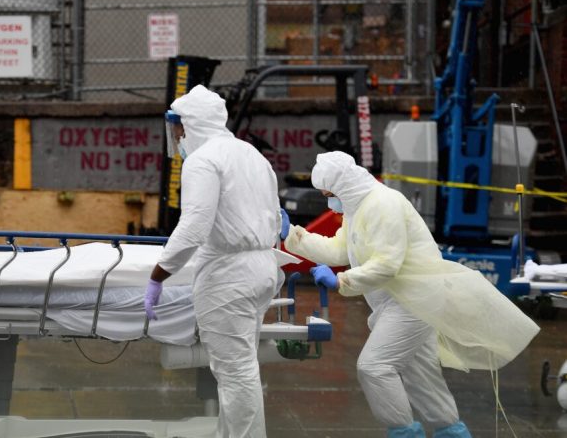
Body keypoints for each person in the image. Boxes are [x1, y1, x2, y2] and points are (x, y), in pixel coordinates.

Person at [284, 151, 540, 438]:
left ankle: (404, 433)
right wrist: (294, 237)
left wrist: (342, 281)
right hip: (402, 301)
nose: (328, 201)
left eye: (329, 193)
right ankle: (450, 431)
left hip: (413, 302)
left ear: (343, 185)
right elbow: (341, 248)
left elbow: (387, 264)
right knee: (422, 377)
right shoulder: (357, 208)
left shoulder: (383, 204)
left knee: (374, 367)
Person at [144, 85, 285, 438]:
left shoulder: (203, 161)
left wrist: (159, 275)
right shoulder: (251, 154)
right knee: (242, 367)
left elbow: (194, 226)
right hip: (263, 267)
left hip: (229, 276)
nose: (176, 136)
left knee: (235, 372)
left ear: (191, 124)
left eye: (177, 127)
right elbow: (274, 213)